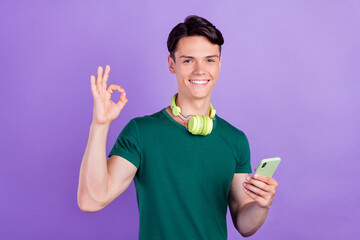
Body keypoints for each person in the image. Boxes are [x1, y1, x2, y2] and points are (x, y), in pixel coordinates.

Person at [77, 15, 278, 239]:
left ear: (220, 64)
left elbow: (244, 224)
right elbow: (90, 200)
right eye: (188, 60)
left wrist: (262, 205)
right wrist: (100, 125)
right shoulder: (141, 132)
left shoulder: (235, 140)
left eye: (210, 60)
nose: (200, 70)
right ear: (172, 65)